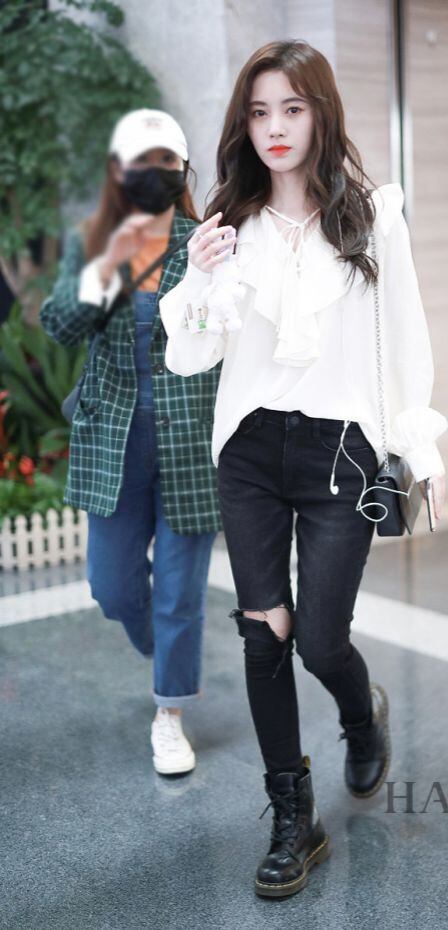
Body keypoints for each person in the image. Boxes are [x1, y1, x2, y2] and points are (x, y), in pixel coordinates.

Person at [160, 41, 448, 897]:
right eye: (259, 112)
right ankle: (294, 819)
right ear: (243, 125)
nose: (275, 127)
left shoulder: (371, 217)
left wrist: (416, 443)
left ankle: (362, 717)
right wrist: (199, 278)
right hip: (249, 449)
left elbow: (407, 340)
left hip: (339, 452)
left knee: (321, 638)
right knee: (265, 635)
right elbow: (192, 355)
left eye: (292, 108)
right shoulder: (229, 223)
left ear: (321, 112)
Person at [40, 110, 222, 776]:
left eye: (167, 162)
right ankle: (168, 649)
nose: (155, 173)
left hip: (191, 441)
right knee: (112, 587)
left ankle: (169, 712)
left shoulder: (206, 241)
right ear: (118, 172)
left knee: (179, 593)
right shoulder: (90, 242)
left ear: (183, 170)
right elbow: (59, 325)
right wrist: (109, 261)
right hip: (113, 441)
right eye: (142, 162)